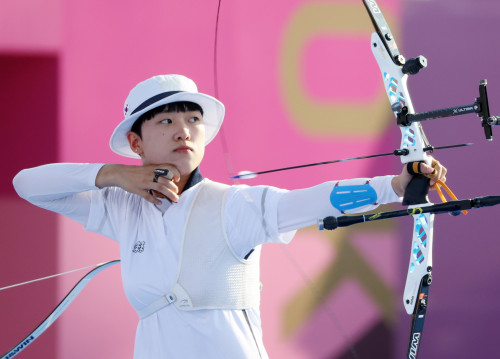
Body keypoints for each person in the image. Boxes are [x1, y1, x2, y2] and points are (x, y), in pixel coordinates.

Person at [13, 74, 446, 358]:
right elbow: (27, 184)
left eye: (192, 119)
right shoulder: (122, 208)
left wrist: (393, 185)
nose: (183, 129)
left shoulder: (236, 205)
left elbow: (315, 200)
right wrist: (112, 175)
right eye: (165, 121)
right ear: (137, 142)